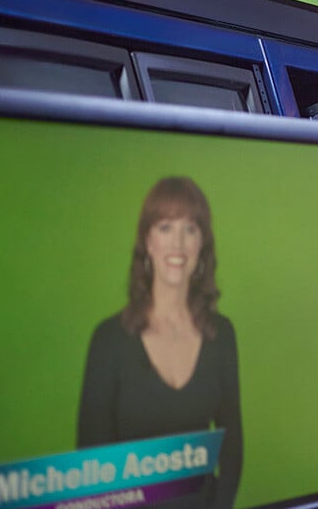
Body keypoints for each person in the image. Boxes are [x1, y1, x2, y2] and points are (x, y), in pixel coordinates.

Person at [78, 176, 242, 509]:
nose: (178, 243)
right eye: (166, 227)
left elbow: (232, 444)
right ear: (148, 241)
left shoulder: (221, 334)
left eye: (191, 229)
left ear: (202, 245)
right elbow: (91, 469)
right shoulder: (109, 340)